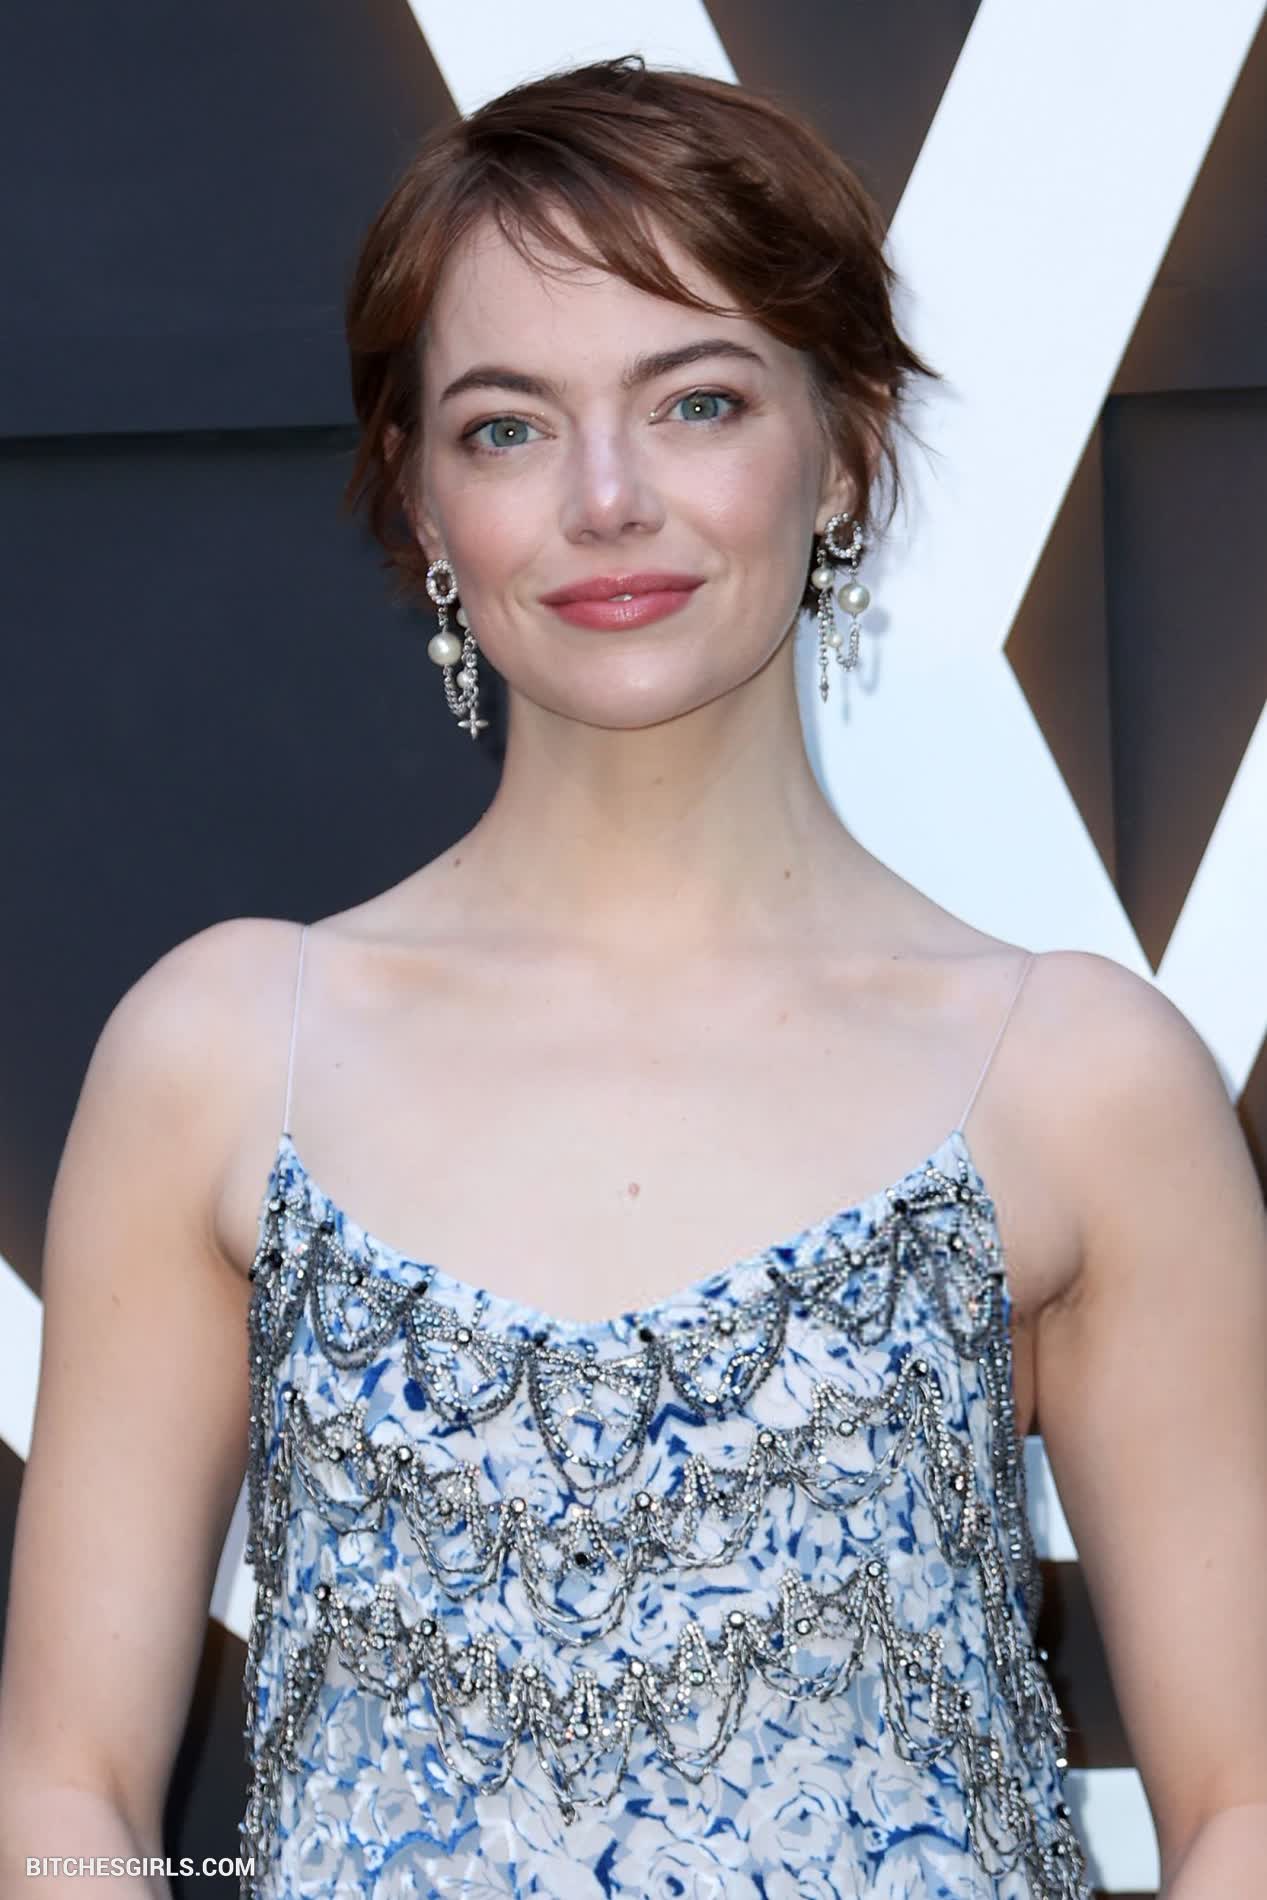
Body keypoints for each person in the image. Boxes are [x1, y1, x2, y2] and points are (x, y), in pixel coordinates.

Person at [1, 52, 1265, 1900]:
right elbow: (67, 1794)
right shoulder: (225, 1056)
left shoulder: (1076, 1077)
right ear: (422, 503)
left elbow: (1244, 1801)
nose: (606, 499)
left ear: (842, 447)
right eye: (508, 428)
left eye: (697, 402)